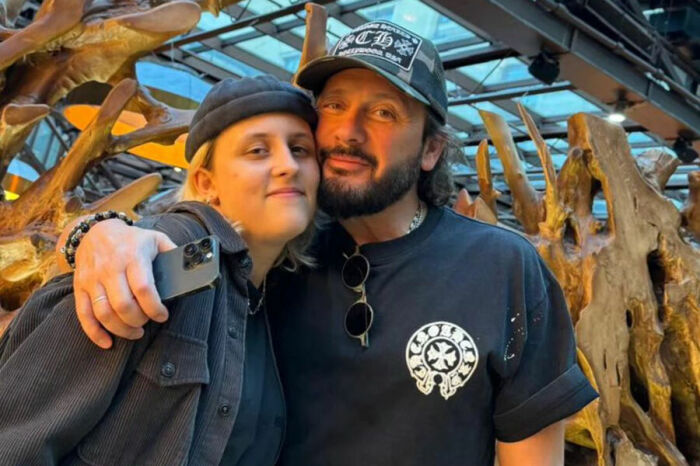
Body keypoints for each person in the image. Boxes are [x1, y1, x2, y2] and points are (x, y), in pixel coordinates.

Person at [64, 21, 597, 466]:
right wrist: (97, 233)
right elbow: (158, 251)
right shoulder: (276, 249)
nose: (348, 132)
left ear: (431, 150)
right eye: (335, 106)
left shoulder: (502, 268)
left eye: (383, 112)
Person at [0, 75, 319, 465]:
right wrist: (91, 233)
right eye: (257, 151)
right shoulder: (169, 254)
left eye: (300, 149)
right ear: (206, 182)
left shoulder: (270, 294)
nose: (288, 166)